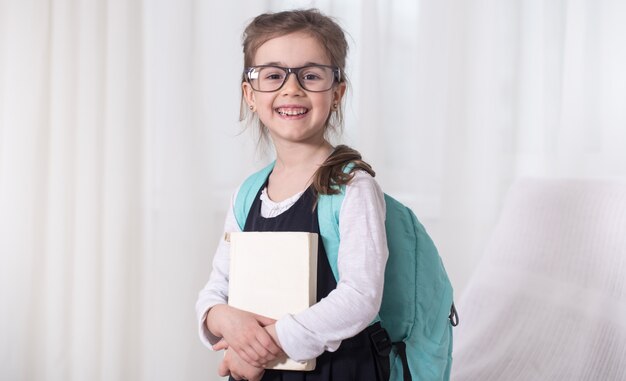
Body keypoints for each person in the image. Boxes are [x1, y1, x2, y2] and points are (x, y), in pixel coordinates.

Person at [196, 9, 389, 381]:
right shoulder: (248, 193)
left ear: (337, 93)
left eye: (311, 75)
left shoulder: (353, 187)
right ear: (249, 95)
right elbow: (217, 285)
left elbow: (360, 297)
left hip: (339, 371)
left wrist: (264, 345)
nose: (291, 88)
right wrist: (220, 319)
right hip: (263, 368)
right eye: (273, 75)